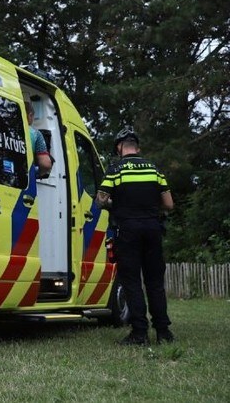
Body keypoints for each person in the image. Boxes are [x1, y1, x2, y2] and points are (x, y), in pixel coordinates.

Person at [96, 128, 175, 345]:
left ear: (119, 148)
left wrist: (117, 203)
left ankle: (139, 333)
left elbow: (100, 200)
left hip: (128, 230)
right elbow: (169, 204)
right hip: (153, 228)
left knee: (131, 281)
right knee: (155, 282)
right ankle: (163, 332)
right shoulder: (154, 169)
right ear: (137, 148)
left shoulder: (115, 170)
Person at [25, 101, 52, 177]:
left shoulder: (5, 128)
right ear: (30, 115)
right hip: (25, 178)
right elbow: (45, 164)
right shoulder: (36, 134)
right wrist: (37, 173)